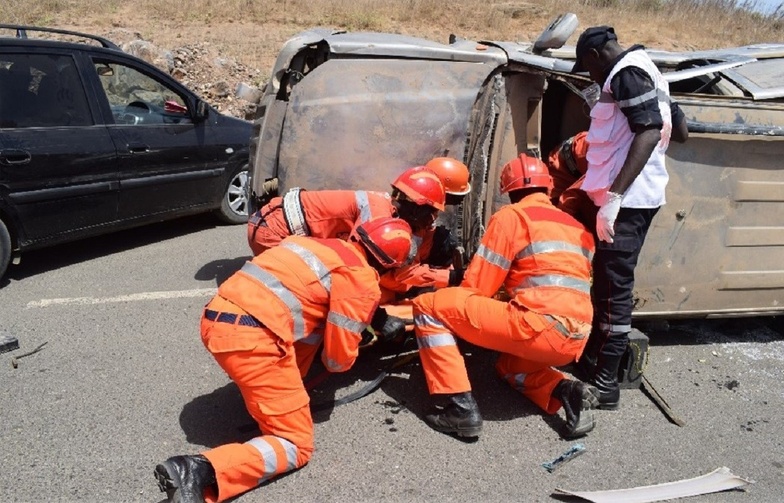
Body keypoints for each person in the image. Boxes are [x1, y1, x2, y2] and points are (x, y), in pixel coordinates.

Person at [154, 216, 414, 503]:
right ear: (389, 264)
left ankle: (276, 398)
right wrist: (361, 337)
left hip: (216, 320)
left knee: (311, 329)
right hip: (251, 341)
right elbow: (336, 362)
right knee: (296, 446)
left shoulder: (310, 243)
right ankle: (198, 470)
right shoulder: (362, 280)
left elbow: (309, 315)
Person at [411, 154, 599, 440]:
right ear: (548, 188)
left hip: (537, 326)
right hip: (575, 339)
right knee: (509, 367)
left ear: (510, 192)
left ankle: (459, 409)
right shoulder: (578, 228)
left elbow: (477, 288)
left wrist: (440, 291)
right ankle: (565, 389)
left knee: (429, 308)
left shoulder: (513, 217)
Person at [571, 26, 689, 410]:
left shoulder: (625, 72)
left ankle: (607, 382)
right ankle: (595, 362)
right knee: (607, 282)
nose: (590, 78)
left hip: (629, 201)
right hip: (639, 199)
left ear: (594, 55)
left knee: (614, 287)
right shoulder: (650, 71)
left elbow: (649, 131)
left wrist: (614, 197)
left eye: (587, 69)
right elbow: (681, 132)